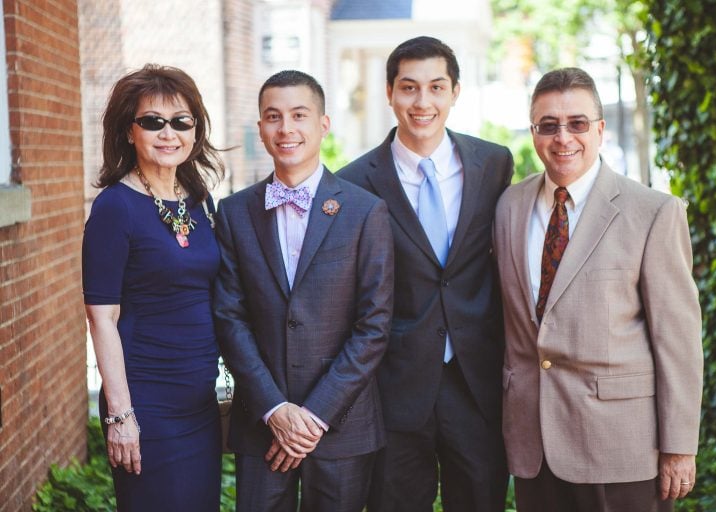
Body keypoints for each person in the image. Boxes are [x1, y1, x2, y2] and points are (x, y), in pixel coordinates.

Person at [493, 67, 703, 512]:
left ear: (600, 130)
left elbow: (678, 341)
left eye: (577, 123)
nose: (563, 137)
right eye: (548, 125)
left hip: (621, 446)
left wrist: (680, 446)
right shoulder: (509, 206)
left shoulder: (653, 212)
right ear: (534, 133)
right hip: (534, 444)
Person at [338, 36, 512, 511]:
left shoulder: (494, 164)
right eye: (409, 88)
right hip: (394, 386)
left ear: (455, 91)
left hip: (475, 381)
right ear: (390, 92)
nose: (423, 102)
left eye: (436, 87)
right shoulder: (353, 183)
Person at [213, 69, 394, 512]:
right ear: (260, 128)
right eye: (273, 117)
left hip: (341, 425)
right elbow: (230, 317)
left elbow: (374, 325)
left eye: (299, 115)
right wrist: (275, 409)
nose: (286, 128)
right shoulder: (234, 212)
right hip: (262, 423)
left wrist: (311, 419)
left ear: (323, 124)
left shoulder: (364, 211)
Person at [82, 64, 225, 511]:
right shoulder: (115, 207)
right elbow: (101, 316)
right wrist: (122, 414)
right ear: (129, 131)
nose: (169, 133)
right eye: (152, 121)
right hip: (146, 400)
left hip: (199, 398)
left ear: (195, 130)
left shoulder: (198, 199)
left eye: (181, 121)